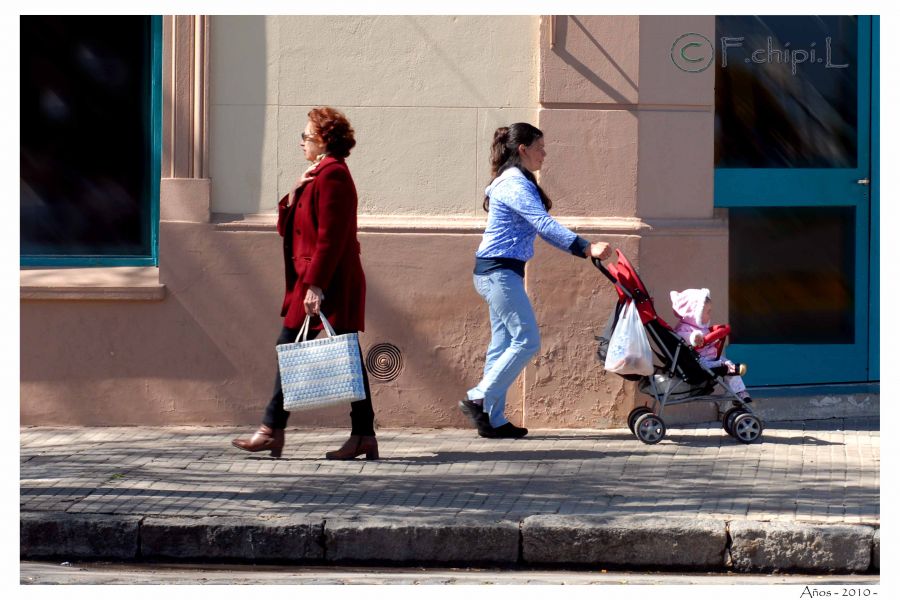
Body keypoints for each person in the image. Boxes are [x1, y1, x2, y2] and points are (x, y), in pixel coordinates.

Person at [232, 107, 377, 460]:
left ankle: (272, 429)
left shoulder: (334, 176)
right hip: (316, 279)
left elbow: (331, 237)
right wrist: (294, 194)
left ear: (325, 140)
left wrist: (315, 285)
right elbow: (291, 229)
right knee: (338, 353)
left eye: (307, 136)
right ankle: (361, 435)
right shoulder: (318, 174)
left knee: (292, 345)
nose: (302, 142)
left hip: (327, 281)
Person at [459, 123, 612, 439]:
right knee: (527, 339)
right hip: (498, 272)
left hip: (501, 271)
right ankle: (479, 397)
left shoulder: (519, 181)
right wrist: (586, 247)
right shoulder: (513, 183)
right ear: (523, 150)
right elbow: (543, 224)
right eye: (540, 147)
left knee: (503, 345)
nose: (545, 153)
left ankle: (492, 419)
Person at [669, 288, 751, 405]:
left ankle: (740, 392)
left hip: (710, 358)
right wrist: (694, 337)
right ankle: (735, 383)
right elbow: (682, 336)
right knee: (725, 366)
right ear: (693, 313)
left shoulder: (701, 328)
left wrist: (712, 339)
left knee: (727, 363)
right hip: (698, 363)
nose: (710, 315)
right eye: (707, 312)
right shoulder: (684, 328)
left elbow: (707, 340)